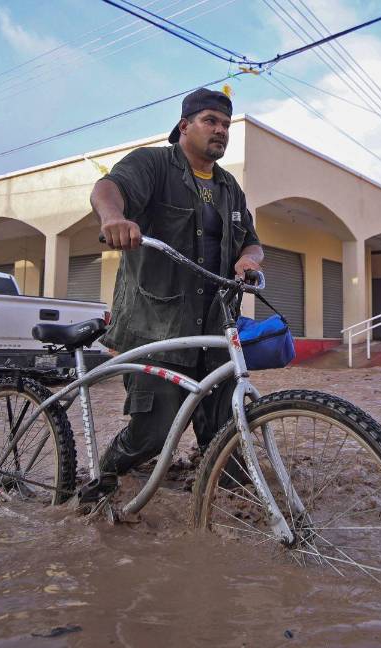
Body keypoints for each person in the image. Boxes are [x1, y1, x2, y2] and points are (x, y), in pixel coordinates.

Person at [84, 88, 264, 501]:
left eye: (225, 124)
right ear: (184, 126)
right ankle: (98, 486)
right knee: (153, 434)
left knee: (230, 440)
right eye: (210, 121)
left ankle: (229, 525)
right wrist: (114, 217)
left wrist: (249, 260)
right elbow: (108, 188)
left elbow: (252, 242)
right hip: (157, 330)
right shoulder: (152, 165)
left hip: (217, 333)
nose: (220, 130)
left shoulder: (229, 187)